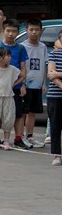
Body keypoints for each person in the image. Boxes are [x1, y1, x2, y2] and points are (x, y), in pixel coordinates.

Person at [0, 20, 28, 147]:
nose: (11, 34)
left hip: (13, 86)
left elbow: (23, 68)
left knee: (15, 114)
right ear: (3, 31)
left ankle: (17, 138)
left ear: (18, 32)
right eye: (8, 31)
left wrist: (22, 84)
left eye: (14, 31)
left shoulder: (20, 48)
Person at [21, 18, 48, 148]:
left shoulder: (43, 47)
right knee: (23, 112)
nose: (34, 32)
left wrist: (43, 83)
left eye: (37, 30)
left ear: (41, 31)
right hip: (25, 84)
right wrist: (22, 83)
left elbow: (43, 65)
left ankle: (30, 136)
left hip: (37, 85)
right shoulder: (23, 46)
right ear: (26, 30)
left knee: (33, 112)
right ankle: (20, 137)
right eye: (31, 29)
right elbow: (21, 66)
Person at [46, 34, 62, 165]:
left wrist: (58, 73)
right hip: (55, 95)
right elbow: (50, 73)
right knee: (55, 126)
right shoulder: (54, 54)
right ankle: (56, 155)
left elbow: (54, 73)